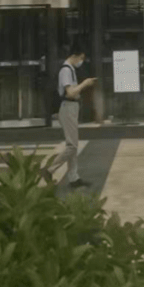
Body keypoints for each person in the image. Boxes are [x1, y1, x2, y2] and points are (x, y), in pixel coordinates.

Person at [42, 42, 97, 188]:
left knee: (72, 144)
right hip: (67, 107)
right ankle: (49, 169)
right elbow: (70, 92)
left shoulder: (70, 69)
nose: (81, 61)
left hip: (71, 107)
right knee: (72, 146)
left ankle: (74, 178)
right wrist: (85, 84)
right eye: (81, 58)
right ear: (74, 56)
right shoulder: (66, 70)